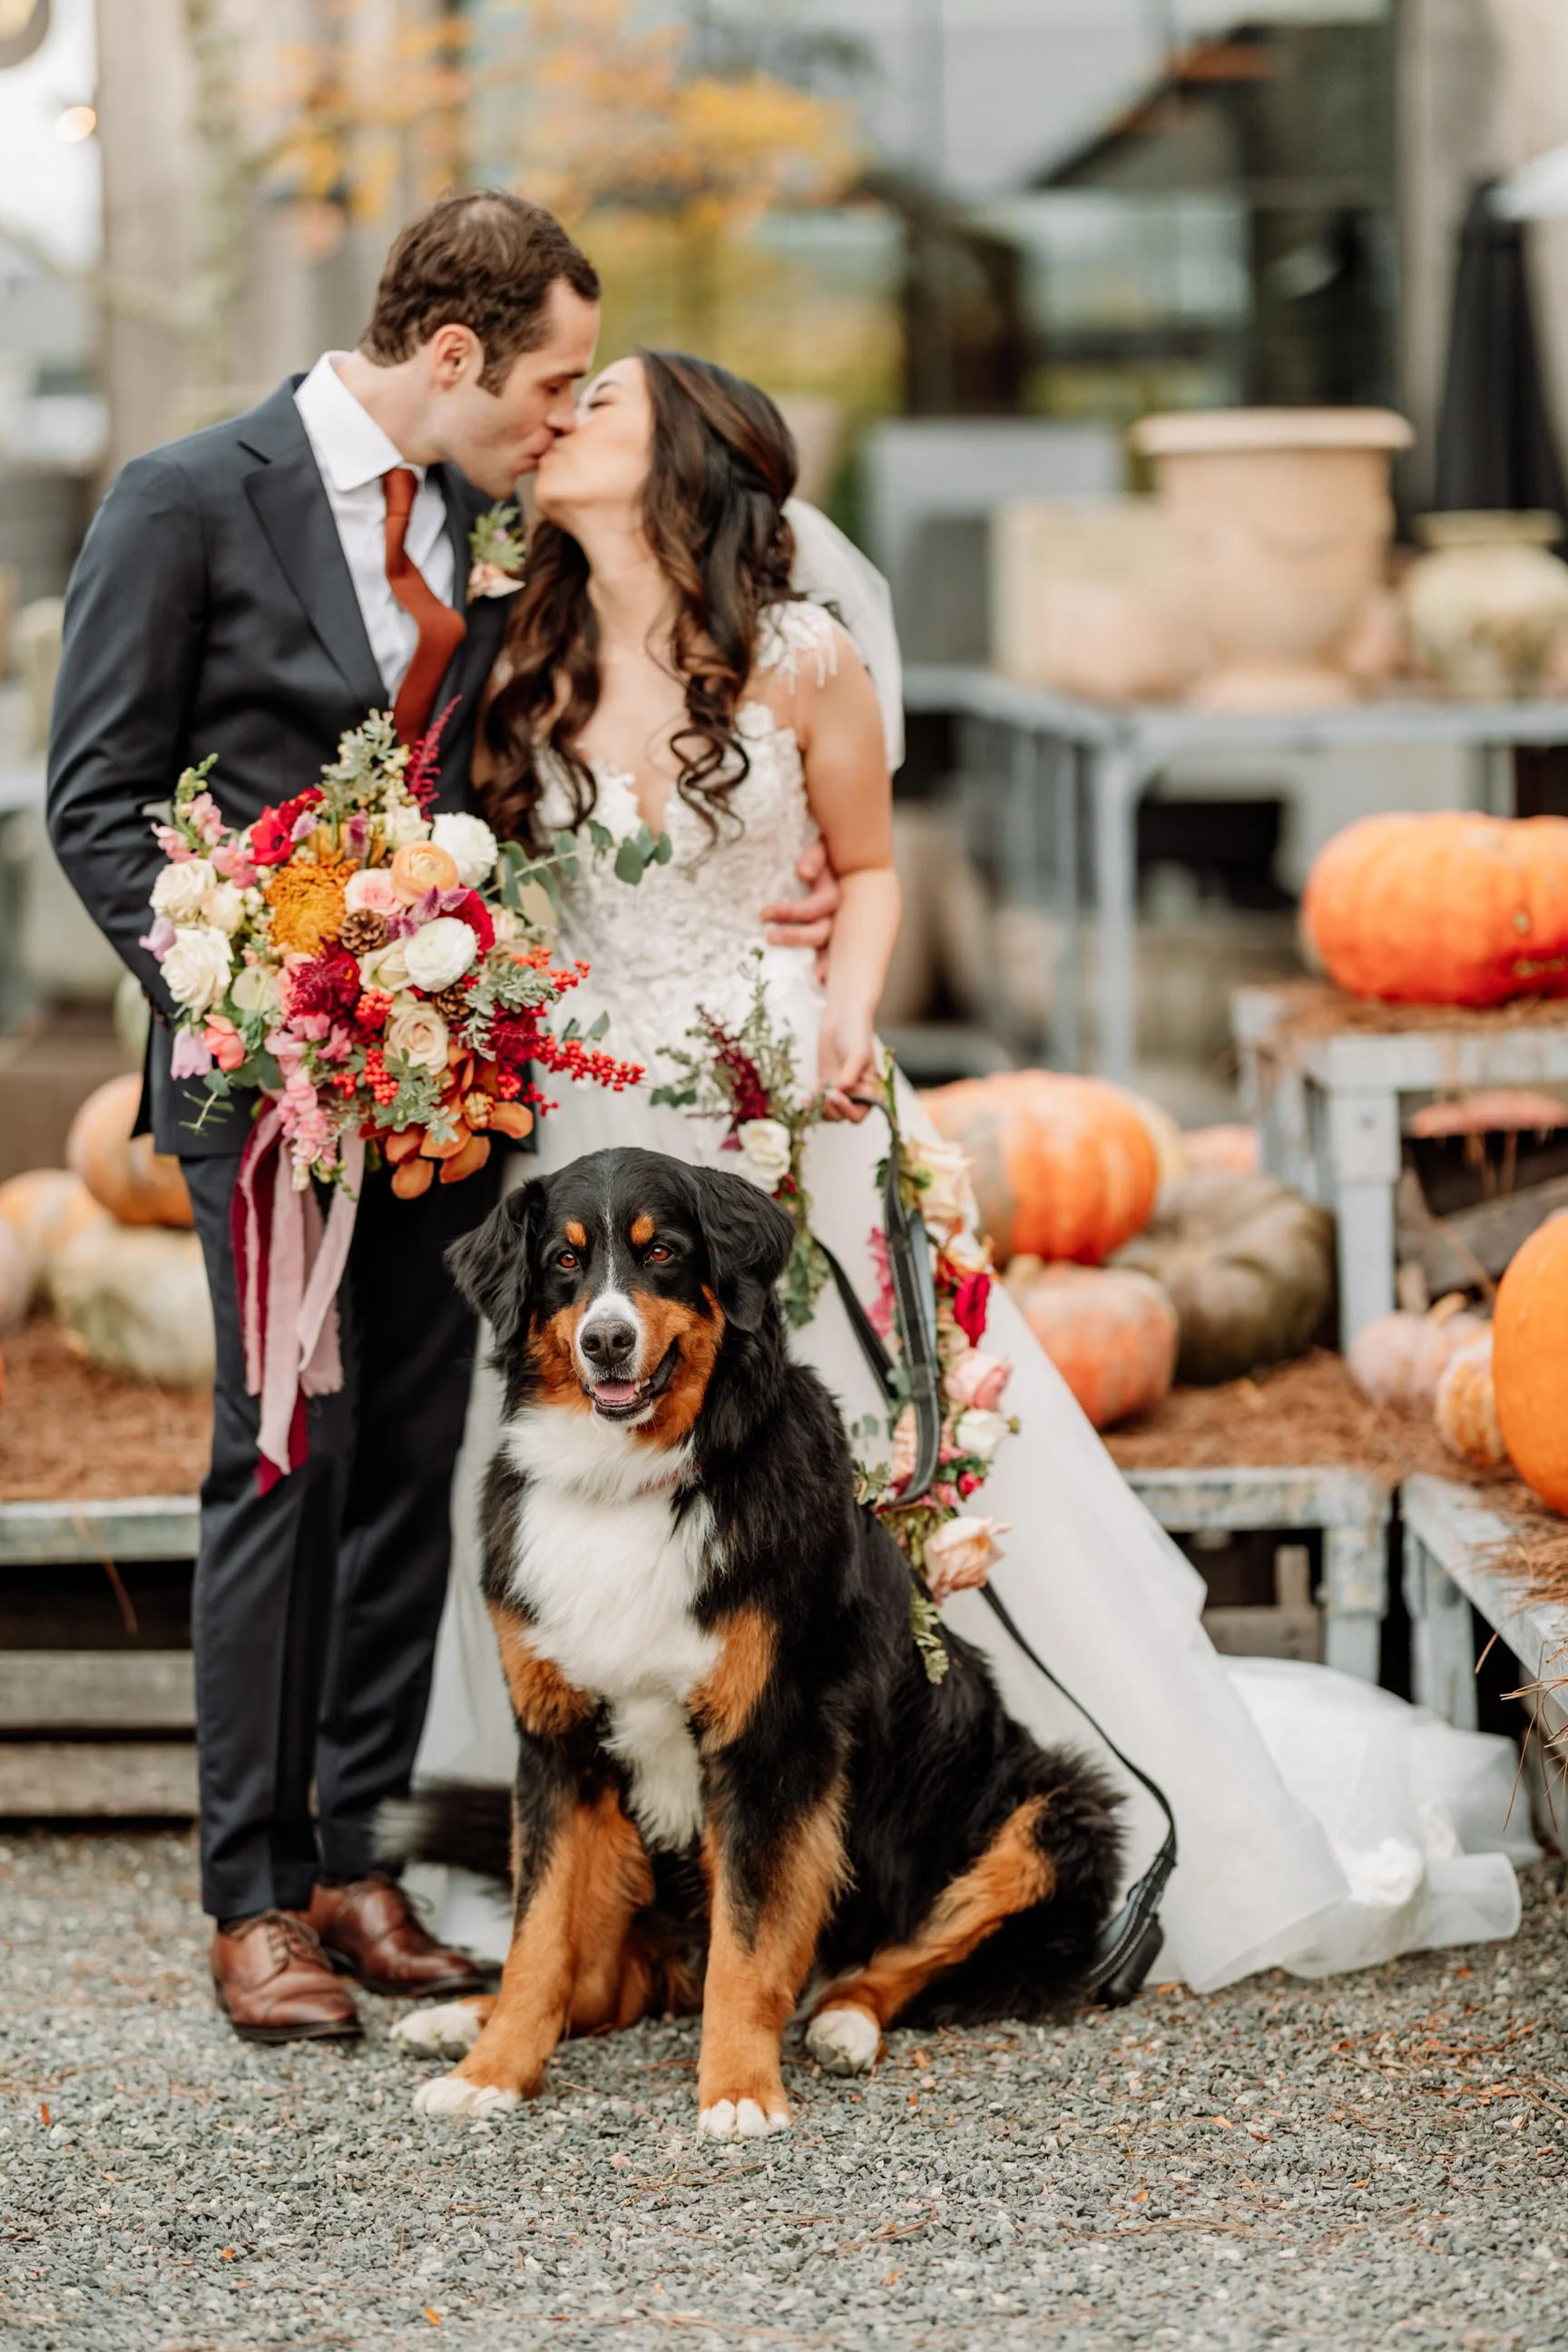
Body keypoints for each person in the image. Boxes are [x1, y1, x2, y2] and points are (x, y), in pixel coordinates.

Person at [414, 349, 1534, 1995]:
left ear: (685, 463)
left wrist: (849, 1011)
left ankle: (916, 1820)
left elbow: (865, 872)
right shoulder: (519, 648)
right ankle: (617, 1900)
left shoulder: (796, 657)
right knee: (582, 1503)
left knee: (878, 1470)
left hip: (790, 1103)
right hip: (586, 1127)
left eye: (603, 404)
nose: (561, 417)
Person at [44, 194, 840, 2043]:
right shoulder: (184, 500)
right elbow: (98, 805)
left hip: (453, 1090)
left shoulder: (482, 536)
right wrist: (253, 999)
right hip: (270, 1090)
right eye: (548, 382)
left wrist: (787, 874)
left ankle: (357, 1869)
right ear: (457, 354)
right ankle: (250, 1895)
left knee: (412, 1464)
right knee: (278, 1460)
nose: (558, 423)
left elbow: (554, 767)